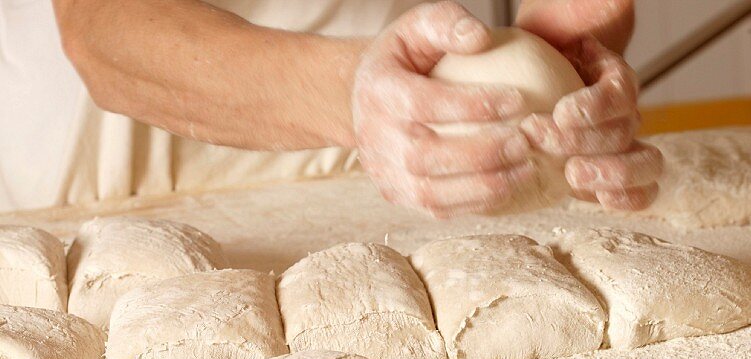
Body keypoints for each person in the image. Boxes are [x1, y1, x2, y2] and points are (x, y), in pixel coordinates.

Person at [0, 0, 661, 216]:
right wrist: (357, 96)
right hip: (108, 188)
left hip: (402, 169)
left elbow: (580, 9)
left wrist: (564, 62)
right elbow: (103, 33)